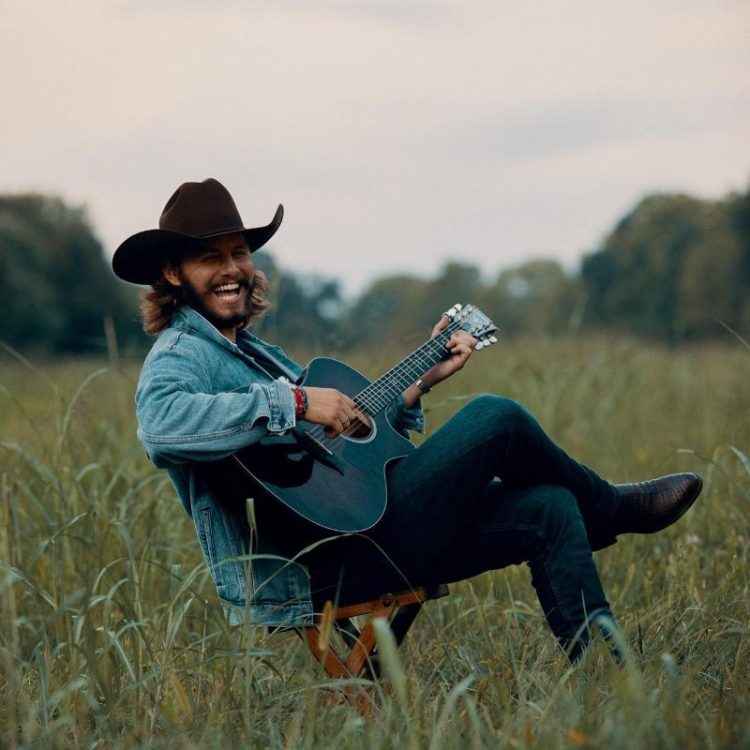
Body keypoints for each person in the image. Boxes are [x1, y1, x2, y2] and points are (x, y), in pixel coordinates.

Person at [114, 178, 703, 662]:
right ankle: (615, 510)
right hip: (320, 565)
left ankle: (605, 674)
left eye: (239, 252)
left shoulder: (250, 351)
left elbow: (341, 448)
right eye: (209, 256)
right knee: (495, 416)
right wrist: (295, 402)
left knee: (549, 506)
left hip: (364, 531)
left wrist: (417, 383)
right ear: (171, 274)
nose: (231, 268)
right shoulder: (179, 356)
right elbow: (162, 426)